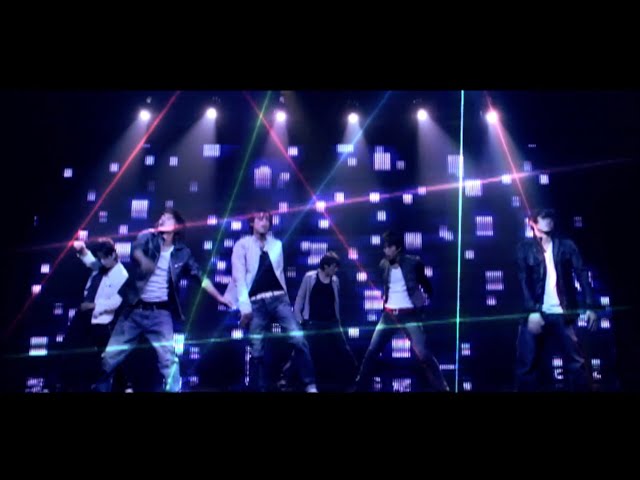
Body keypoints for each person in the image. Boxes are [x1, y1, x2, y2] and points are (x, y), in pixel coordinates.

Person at [94, 208, 232, 392]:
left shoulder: (183, 253)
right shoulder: (148, 236)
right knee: (109, 358)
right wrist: (143, 260)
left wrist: (220, 297)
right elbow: (136, 249)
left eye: (166, 218)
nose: (161, 219)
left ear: (176, 227)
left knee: (169, 360)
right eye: (161, 217)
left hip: (160, 314)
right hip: (134, 310)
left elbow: (201, 278)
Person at [224, 207, 317, 392]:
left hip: (278, 299)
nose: (264, 222)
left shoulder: (276, 245)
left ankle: (309, 383)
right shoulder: (242, 245)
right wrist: (244, 306)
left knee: (298, 338)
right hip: (255, 302)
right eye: (260, 219)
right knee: (256, 349)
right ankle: (260, 387)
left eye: (267, 219)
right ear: (252, 223)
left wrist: (287, 301)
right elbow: (239, 277)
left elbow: (279, 274)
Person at [354, 230, 449, 392]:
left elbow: (426, 284)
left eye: (388, 247)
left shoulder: (414, 263)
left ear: (397, 248)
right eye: (384, 247)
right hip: (389, 315)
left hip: (409, 314)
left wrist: (424, 301)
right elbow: (387, 285)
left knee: (423, 354)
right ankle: (359, 387)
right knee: (372, 351)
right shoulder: (383, 264)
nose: (385, 250)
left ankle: (442, 387)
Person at [515, 208, 598, 391]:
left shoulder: (566, 246)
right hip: (535, 313)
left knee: (577, 364)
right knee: (526, 367)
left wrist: (590, 306)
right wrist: (532, 311)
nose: (549, 221)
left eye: (551, 217)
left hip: (563, 312)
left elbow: (582, 274)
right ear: (532, 223)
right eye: (544, 218)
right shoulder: (524, 248)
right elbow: (522, 280)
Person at [53, 238, 130, 392]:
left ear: (113, 255)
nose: (101, 261)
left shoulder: (121, 274)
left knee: (109, 355)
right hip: (83, 315)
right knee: (67, 346)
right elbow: (90, 261)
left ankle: (124, 385)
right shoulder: (101, 266)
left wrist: (94, 306)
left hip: (100, 320)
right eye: (99, 258)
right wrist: (82, 249)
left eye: (103, 258)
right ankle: (57, 384)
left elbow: (116, 301)